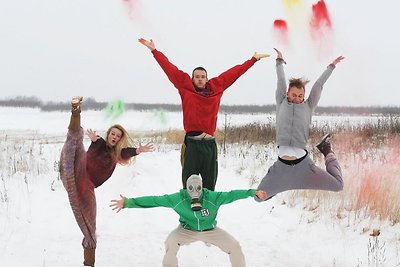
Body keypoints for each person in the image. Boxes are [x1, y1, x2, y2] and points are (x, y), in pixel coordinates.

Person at [139, 38, 269, 191]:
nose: (200, 79)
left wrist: (252, 60)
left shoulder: (216, 87)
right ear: (192, 79)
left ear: (207, 79)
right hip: (192, 143)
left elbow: (233, 73)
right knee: (189, 184)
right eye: (197, 77)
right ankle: (188, 213)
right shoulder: (185, 86)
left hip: (209, 144)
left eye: (202, 77)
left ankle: (208, 212)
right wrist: (154, 51)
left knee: (209, 184)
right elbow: (169, 69)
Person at [59, 96, 153, 267]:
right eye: (113, 133)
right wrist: (94, 138)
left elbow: (128, 152)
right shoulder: (99, 142)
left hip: (88, 186)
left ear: (119, 139)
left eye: (118, 136)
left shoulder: (118, 153)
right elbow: (95, 140)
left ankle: (89, 263)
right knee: (74, 139)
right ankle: (75, 109)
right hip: (78, 170)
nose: (114, 137)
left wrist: (138, 150)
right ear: (108, 134)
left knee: (90, 225)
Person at [110, 174, 267, 267]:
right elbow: (155, 200)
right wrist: (128, 203)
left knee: (235, 246)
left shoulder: (212, 198)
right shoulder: (178, 198)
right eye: (190, 189)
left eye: (198, 188)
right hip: (186, 230)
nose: (194, 192)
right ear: (186, 188)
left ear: (202, 187)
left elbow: (232, 194)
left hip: (210, 231)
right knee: (170, 242)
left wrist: (252, 192)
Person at [255, 49, 345, 202]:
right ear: (287, 94)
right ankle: (279, 185)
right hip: (281, 169)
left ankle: (327, 151)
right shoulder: (281, 102)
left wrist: (332, 66)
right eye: (294, 95)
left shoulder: (308, 106)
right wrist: (279, 62)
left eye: (300, 95)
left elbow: (318, 85)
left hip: (305, 168)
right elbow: (281, 80)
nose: (297, 98)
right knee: (258, 198)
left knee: (337, 185)